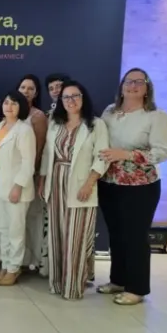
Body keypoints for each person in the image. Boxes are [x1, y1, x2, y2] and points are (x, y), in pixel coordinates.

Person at [97, 68, 167, 305]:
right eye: (128, 81)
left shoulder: (156, 115)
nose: (133, 85)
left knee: (135, 236)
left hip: (140, 186)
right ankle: (118, 280)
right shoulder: (110, 112)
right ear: (121, 86)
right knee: (117, 235)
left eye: (139, 82)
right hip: (109, 182)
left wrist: (126, 154)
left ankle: (137, 288)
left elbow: (163, 152)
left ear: (147, 88)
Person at [40, 81, 109, 300]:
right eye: (66, 97)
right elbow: (46, 154)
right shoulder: (55, 122)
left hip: (80, 185)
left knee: (76, 239)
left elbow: (102, 157)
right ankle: (58, 283)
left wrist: (89, 183)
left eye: (75, 96)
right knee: (57, 236)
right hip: (55, 181)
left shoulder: (96, 125)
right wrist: (43, 180)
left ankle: (73, 286)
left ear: (83, 97)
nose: (71, 101)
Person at [0, 90, 36, 286]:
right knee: (4, 229)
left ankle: (15, 268)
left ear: (21, 107)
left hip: (16, 190)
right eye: (6, 102)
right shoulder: (0, 126)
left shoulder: (24, 130)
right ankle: (6, 266)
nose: (9, 106)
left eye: (14, 103)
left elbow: (28, 162)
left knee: (16, 232)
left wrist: (18, 186)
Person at [17, 73, 51, 276]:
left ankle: (31, 259)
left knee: (30, 218)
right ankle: (17, 258)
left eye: (30, 88)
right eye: (23, 87)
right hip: (12, 176)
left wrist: (31, 174)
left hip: (30, 175)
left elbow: (38, 149)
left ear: (36, 93)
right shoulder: (11, 111)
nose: (26, 91)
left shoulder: (38, 116)